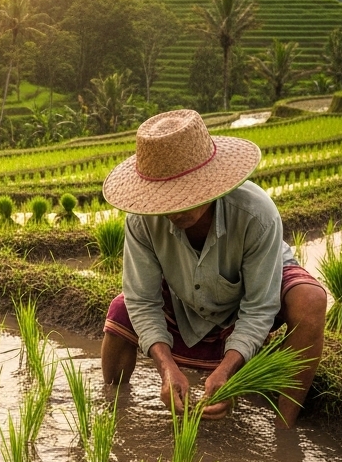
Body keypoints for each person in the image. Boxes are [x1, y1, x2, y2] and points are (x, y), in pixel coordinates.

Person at [99, 109, 326, 428]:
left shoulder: (256, 214)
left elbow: (260, 306)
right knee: (121, 309)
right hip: (184, 290)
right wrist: (166, 369)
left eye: (184, 196)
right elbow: (143, 300)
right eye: (163, 201)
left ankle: (283, 428)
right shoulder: (141, 220)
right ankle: (113, 409)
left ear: (209, 184)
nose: (173, 211)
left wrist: (228, 370)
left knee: (310, 301)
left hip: (249, 285)